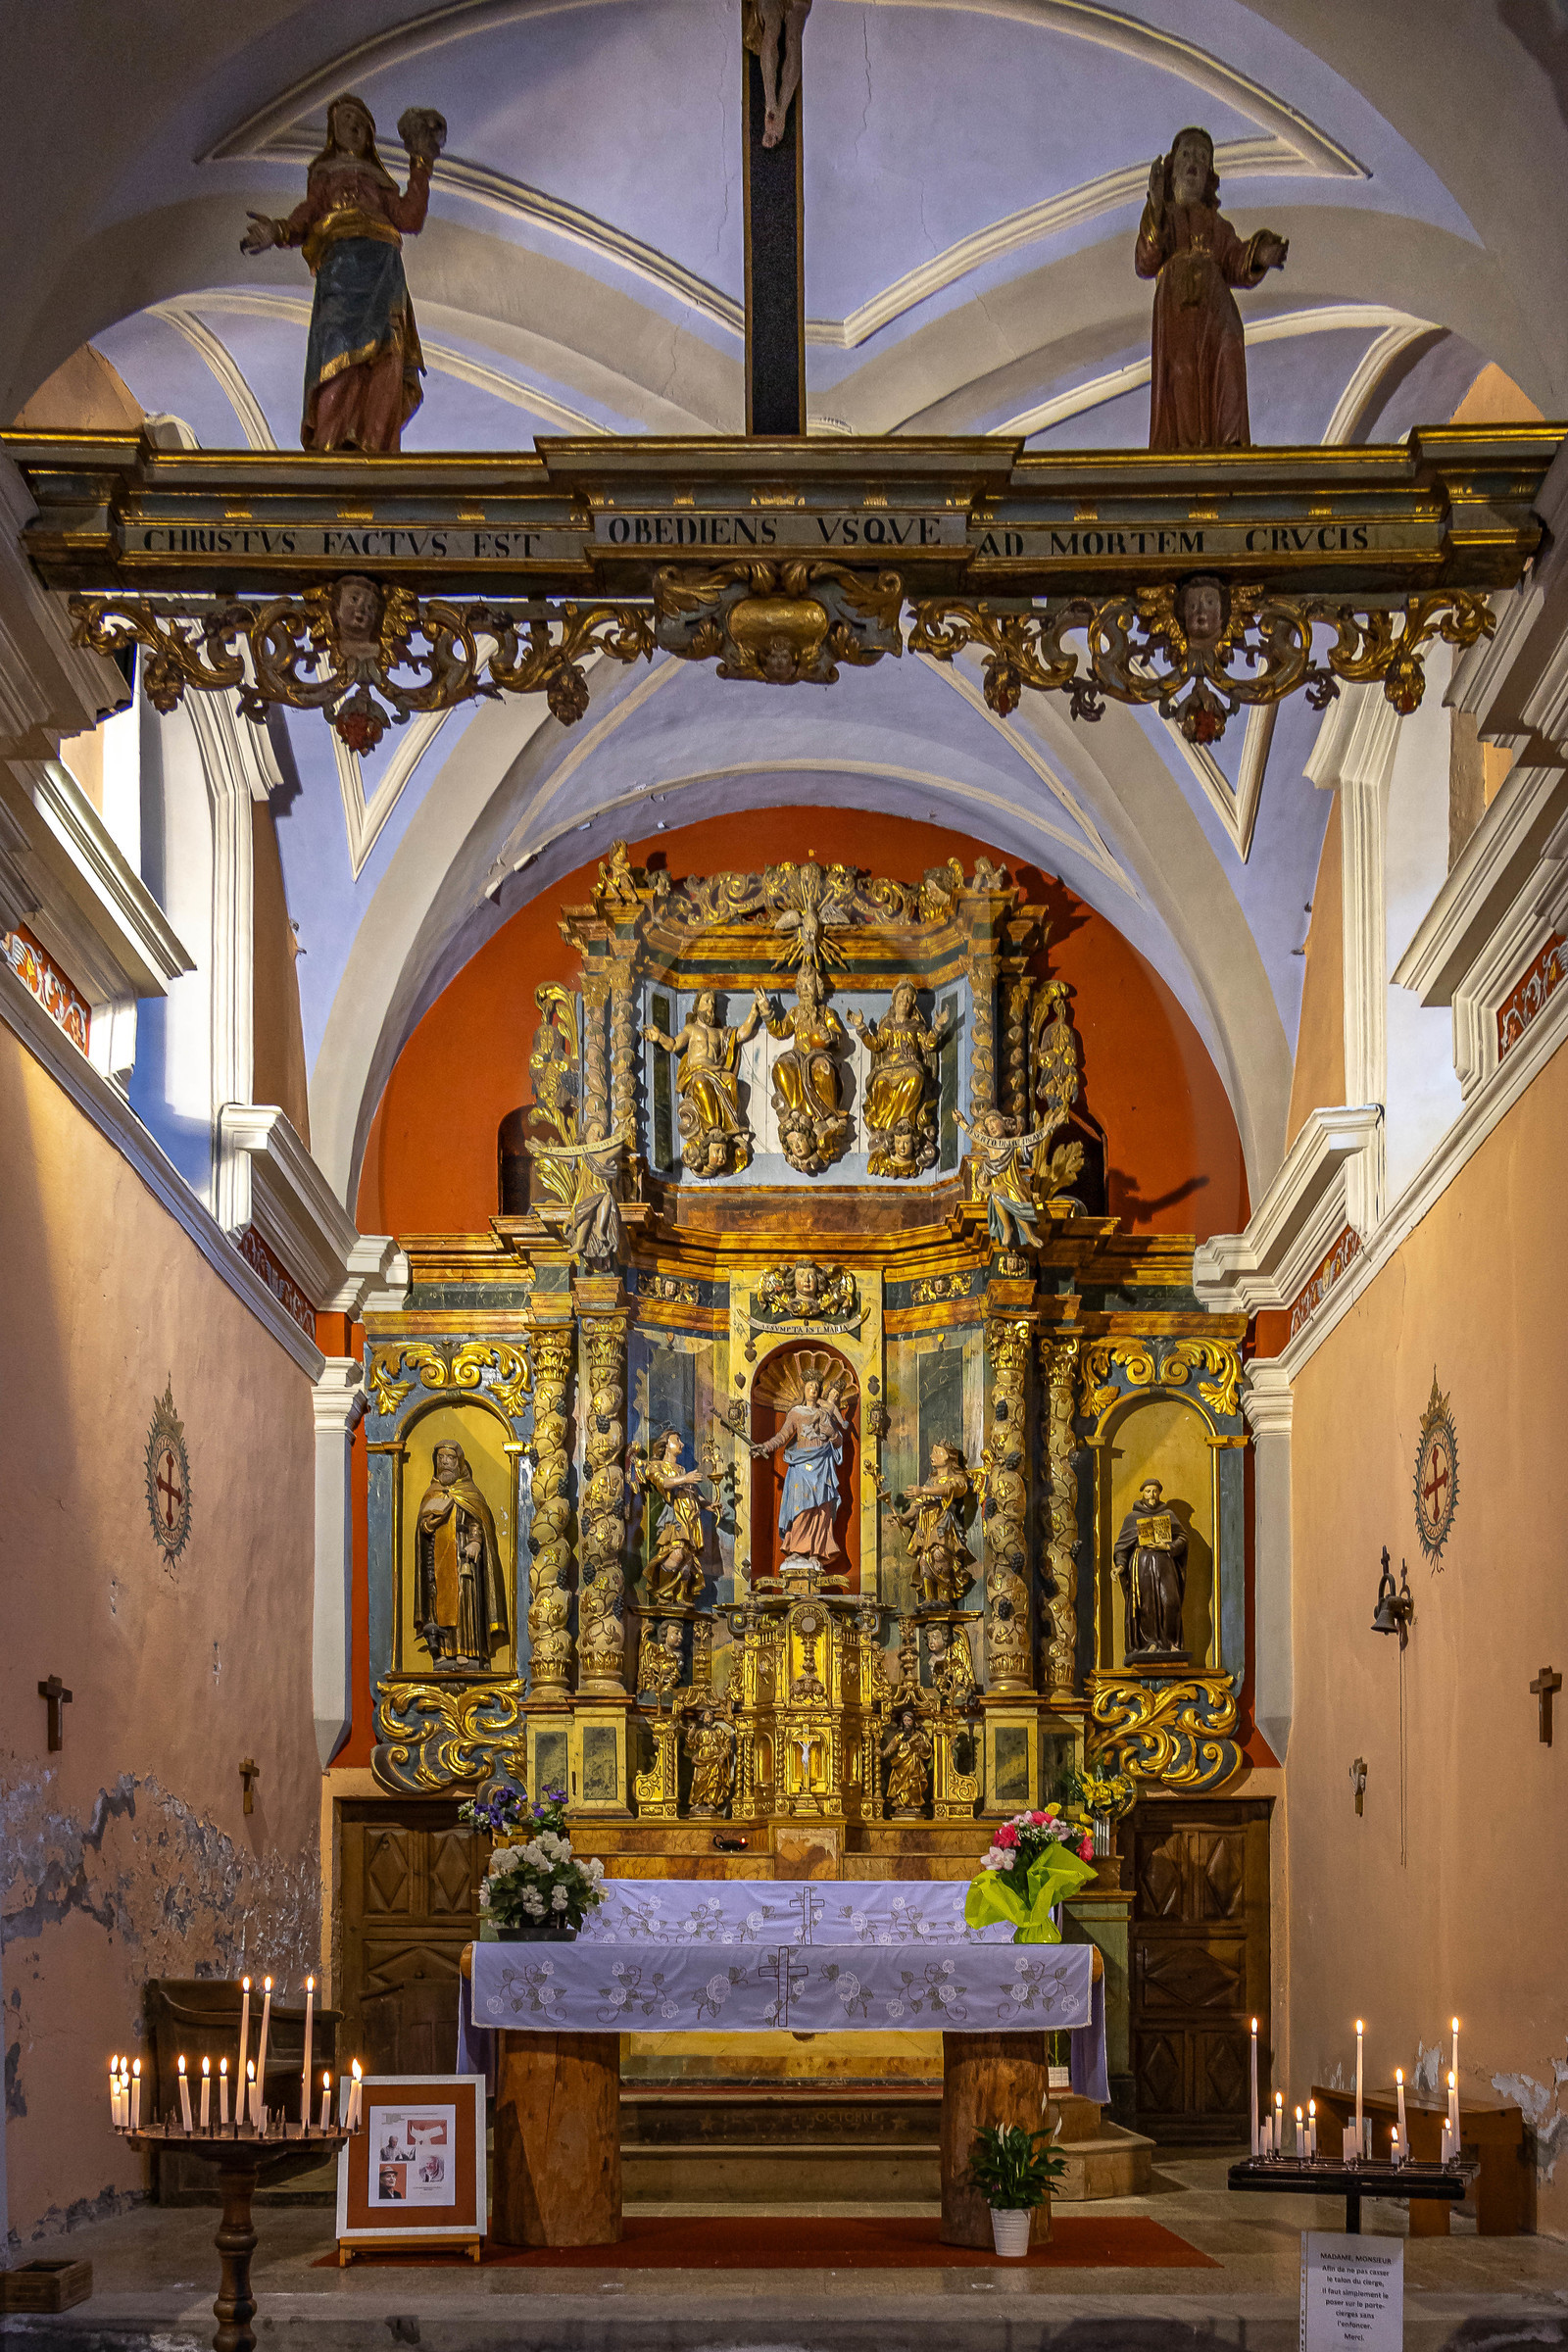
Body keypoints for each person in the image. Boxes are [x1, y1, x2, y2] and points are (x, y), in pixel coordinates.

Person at [240, 93, 444, 453]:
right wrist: (278, 231)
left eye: (360, 120)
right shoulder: (325, 175)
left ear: (370, 133)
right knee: (336, 346)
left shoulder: (380, 181)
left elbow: (410, 218)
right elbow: (307, 214)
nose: (353, 125)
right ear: (334, 133)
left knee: (386, 353)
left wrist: (421, 162)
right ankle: (331, 441)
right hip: (340, 270)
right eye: (345, 119)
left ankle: (375, 442)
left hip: (382, 269)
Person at [1135, 125, 1288, 451]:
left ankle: (1229, 442)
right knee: (1182, 370)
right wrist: (1156, 207)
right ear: (1173, 167)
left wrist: (1260, 255)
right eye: (1187, 155)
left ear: (1209, 175)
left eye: (1203, 158)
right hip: (1177, 305)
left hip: (1216, 306)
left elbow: (1234, 260)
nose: (1195, 161)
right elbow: (1146, 263)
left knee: (1229, 352)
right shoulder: (1163, 217)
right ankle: (1185, 448)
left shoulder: (1218, 225)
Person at [643, 989, 767, 1176]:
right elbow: (674, 1045)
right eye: (707, 1001)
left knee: (731, 1080)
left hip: (716, 1071)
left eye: (713, 1003)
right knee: (701, 1082)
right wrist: (659, 1036)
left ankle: (730, 1127)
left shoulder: (719, 1033)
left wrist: (753, 1012)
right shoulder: (691, 1029)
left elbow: (741, 1034)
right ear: (697, 1005)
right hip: (696, 1072)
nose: (711, 1007)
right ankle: (712, 1129)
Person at [415, 1440, 508, 1666]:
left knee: (465, 1601)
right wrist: (427, 1525)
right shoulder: (432, 1493)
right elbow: (422, 1530)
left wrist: (475, 1541)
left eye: (450, 1458)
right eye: (441, 1458)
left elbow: (477, 1521)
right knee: (438, 1602)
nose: (445, 1462)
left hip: (463, 1558)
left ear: (459, 1462)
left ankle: (467, 1649)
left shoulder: (470, 1493)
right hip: (438, 1559)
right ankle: (443, 1650)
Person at [751, 1375, 850, 1567]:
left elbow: (838, 1442)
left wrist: (832, 1434)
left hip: (822, 1463)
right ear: (804, 1389)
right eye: (810, 1385)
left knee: (821, 1510)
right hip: (801, 1465)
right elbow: (782, 1436)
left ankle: (816, 1552)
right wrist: (765, 1446)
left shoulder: (824, 1414)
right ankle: (796, 1549)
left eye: (816, 1386)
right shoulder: (795, 1412)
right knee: (800, 1507)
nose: (813, 1389)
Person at [1112, 1476, 1190, 1656]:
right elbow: (1122, 1546)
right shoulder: (1132, 1518)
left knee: (1170, 1602)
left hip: (1165, 1565)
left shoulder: (1168, 1515)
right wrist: (1120, 1566)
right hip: (1142, 1566)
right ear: (1143, 1493)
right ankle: (1150, 1643)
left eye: (1155, 1491)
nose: (1152, 1495)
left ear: (1160, 1493)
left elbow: (1182, 1538)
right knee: (1146, 1606)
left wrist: (1168, 1546)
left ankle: (1170, 1642)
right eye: (1148, 1491)